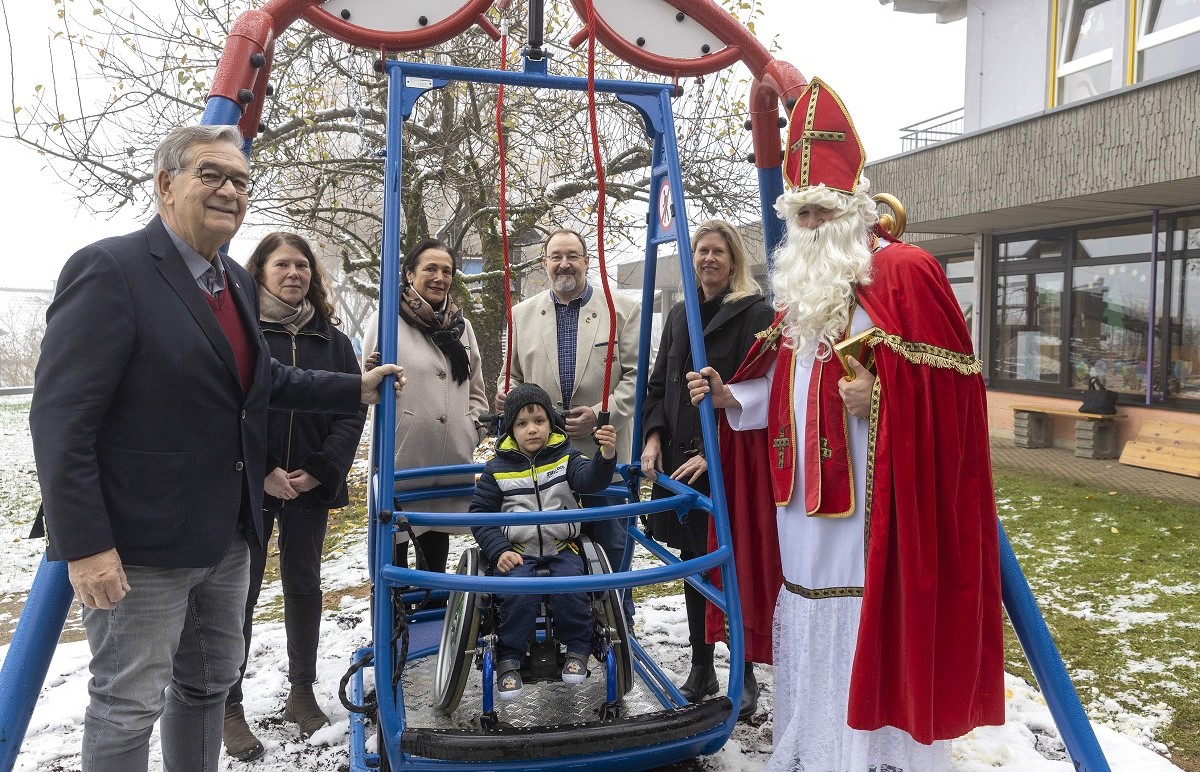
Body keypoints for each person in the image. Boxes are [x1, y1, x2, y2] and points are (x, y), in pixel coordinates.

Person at [27, 124, 403, 772]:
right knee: (127, 706)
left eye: (240, 180)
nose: (230, 189)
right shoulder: (110, 271)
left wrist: (353, 389)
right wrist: (86, 546)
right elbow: (61, 418)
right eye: (212, 175)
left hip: (227, 536)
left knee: (205, 688)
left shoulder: (229, 279)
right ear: (165, 184)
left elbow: (262, 383)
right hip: (141, 546)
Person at [686, 78, 1004, 771]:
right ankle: (819, 739)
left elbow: (958, 398)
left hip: (874, 500)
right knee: (808, 604)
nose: (808, 226)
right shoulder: (799, 295)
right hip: (801, 500)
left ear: (854, 209)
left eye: (821, 210)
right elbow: (783, 385)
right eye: (799, 213)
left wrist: (884, 399)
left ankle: (872, 751)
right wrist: (730, 398)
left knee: (864, 612)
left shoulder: (908, 272)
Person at [221, 232, 367, 760]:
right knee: (241, 589)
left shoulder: (333, 340)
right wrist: (261, 471)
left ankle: (301, 692)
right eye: (282, 264)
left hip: (308, 484)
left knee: (304, 583)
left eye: (303, 265)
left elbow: (352, 409)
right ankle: (229, 703)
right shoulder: (240, 332)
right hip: (250, 484)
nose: (294, 273)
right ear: (259, 271)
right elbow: (228, 405)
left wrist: (320, 469)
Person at [639, 219, 773, 720]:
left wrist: (712, 449)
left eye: (718, 252)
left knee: (728, 569)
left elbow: (755, 392)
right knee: (692, 566)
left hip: (722, 465)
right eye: (701, 252)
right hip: (678, 463)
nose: (708, 260)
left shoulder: (753, 314)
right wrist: (652, 438)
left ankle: (745, 669)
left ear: (734, 260)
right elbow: (660, 385)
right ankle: (701, 665)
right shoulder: (680, 315)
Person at [496, 228, 639, 593]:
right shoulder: (521, 315)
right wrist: (508, 400)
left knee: (611, 544)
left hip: (604, 452)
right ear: (544, 263)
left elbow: (639, 377)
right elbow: (509, 377)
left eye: (572, 256)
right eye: (556, 257)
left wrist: (599, 413)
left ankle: (618, 620)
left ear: (587, 261)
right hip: (540, 462)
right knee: (550, 550)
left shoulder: (622, 310)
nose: (564, 264)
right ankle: (568, 623)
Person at [469, 383, 617, 701]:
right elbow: (480, 515)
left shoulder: (566, 458)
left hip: (562, 547)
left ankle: (578, 647)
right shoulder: (497, 470)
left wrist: (605, 456)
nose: (532, 429)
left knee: (571, 588)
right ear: (510, 429)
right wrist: (499, 550)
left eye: (539, 420)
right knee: (517, 595)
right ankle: (509, 657)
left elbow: (591, 481)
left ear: (551, 423)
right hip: (518, 551)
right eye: (522, 424)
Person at [363, 237, 489, 576]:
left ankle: (433, 614)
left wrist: (471, 428)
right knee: (395, 550)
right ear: (408, 274)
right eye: (430, 269)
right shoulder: (388, 319)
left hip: (450, 457)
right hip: (403, 457)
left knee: (437, 544)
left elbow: (476, 387)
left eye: (446, 271)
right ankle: (395, 623)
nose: (439, 277)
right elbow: (368, 381)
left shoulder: (461, 326)